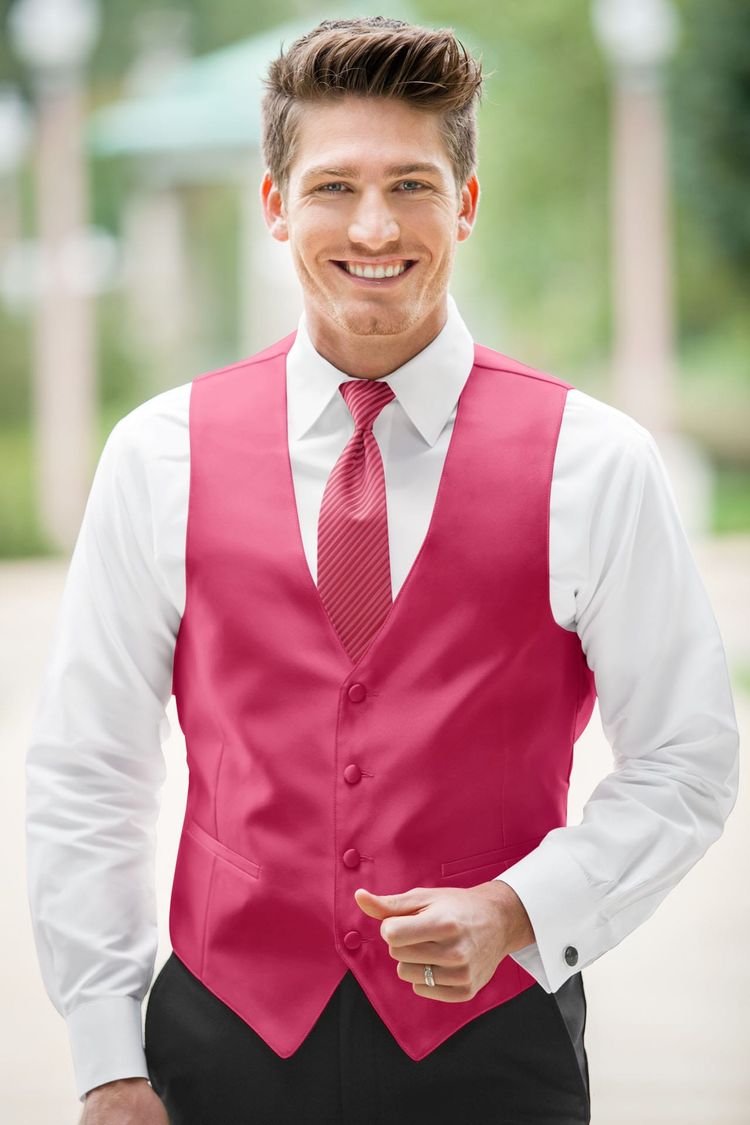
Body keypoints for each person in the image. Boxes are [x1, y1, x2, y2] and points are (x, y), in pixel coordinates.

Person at [25, 15, 739, 1125]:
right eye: (331, 186)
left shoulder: (592, 463)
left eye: (411, 184)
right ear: (275, 205)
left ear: (466, 201)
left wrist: (517, 909)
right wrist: (109, 1059)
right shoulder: (157, 454)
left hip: (495, 1047)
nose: (373, 226)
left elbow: (688, 758)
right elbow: (88, 771)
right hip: (218, 1043)